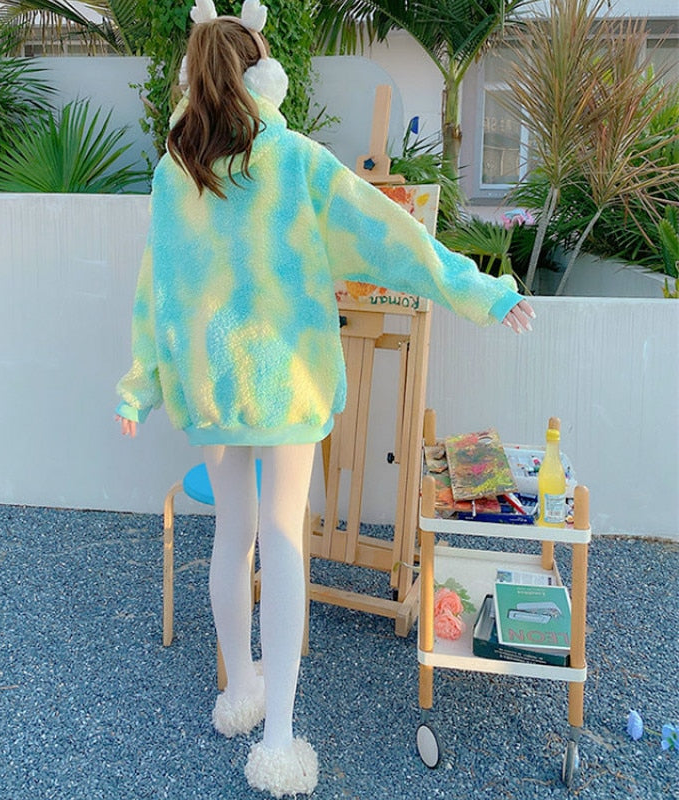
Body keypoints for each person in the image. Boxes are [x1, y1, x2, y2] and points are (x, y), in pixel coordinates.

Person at [116, 1, 535, 796]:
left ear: (193, 79)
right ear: (262, 76)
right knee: (283, 540)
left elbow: (157, 288)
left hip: (211, 387)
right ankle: (277, 740)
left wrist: (141, 385)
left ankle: (240, 693)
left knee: (232, 536)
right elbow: (390, 236)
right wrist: (480, 291)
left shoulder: (175, 175)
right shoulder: (293, 160)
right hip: (287, 382)